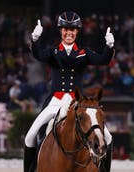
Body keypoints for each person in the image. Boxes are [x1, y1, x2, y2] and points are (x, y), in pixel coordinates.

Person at [24, 11, 115, 172]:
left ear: (76, 32)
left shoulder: (84, 53)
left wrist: (109, 47)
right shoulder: (53, 52)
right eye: (65, 30)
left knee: (107, 137)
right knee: (30, 136)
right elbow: (38, 54)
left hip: (77, 102)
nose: (68, 33)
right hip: (55, 101)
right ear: (61, 31)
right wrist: (35, 40)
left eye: (72, 30)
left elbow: (103, 60)